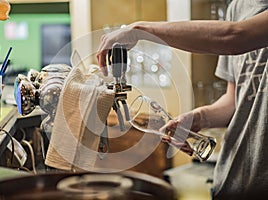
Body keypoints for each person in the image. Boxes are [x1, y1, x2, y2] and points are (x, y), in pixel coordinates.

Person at [97, 0, 268, 199]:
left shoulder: (237, 29)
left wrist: (140, 29)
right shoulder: (238, 7)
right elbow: (234, 100)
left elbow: (234, 36)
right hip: (234, 180)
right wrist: (198, 118)